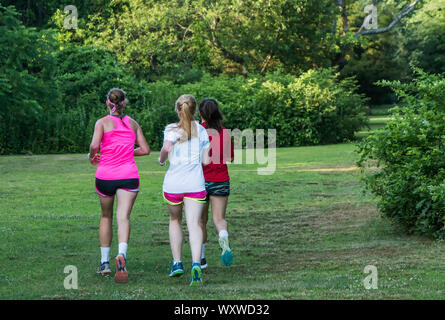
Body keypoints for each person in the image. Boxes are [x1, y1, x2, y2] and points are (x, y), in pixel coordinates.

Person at [88, 88, 150, 283]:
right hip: (129, 176)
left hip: (105, 176)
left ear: (108, 103)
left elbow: (94, 146)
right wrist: (126, 153)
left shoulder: (102, 123)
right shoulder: (133, 123)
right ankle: (121, 254)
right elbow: (146, 150)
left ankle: (105, 262)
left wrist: (92, 156)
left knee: (106, 216)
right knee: (123, 217)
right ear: (124, 103)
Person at [158, 94, 210, 287]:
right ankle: (196, 264)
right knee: (194, 224)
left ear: (177, 110)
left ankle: (177, 262)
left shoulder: (170, 129)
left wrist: (163, 156)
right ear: (195, 110)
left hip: (173, 184)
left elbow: (164, 155)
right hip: (195, 184)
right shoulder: (202, 131)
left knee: (175, 220)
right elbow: (205, 161)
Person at [198, 98, 234, 269]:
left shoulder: (197, 131)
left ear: (200, 114)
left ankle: (202, 259)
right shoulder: (225, 132)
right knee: (219, 218)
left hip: (200, 181)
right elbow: (229, 157)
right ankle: (223, 236)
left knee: (200, 221)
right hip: (220, 180)